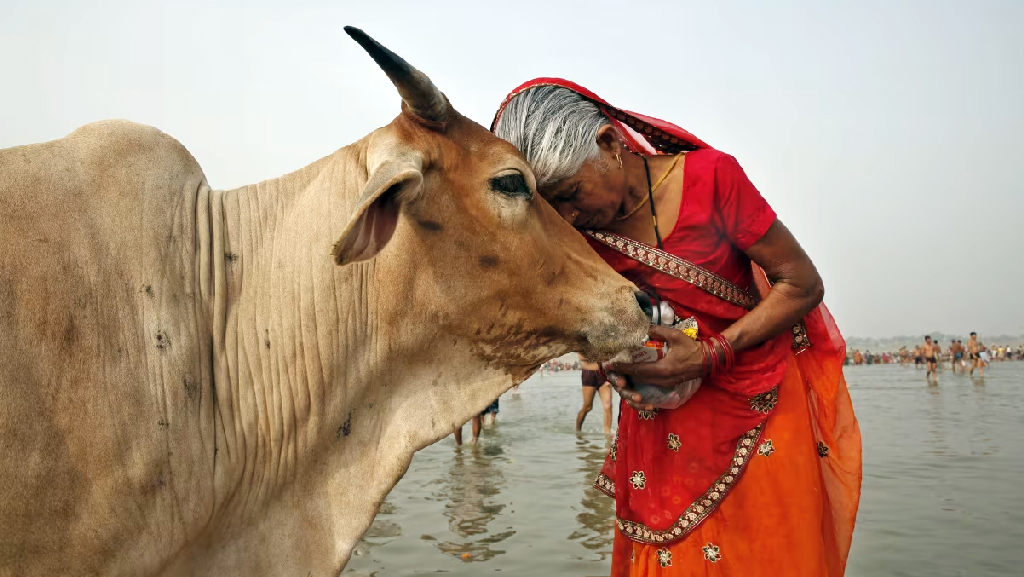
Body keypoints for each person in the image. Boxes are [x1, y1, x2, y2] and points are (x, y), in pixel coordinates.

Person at [492, 79, 861, 576]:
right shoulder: (576, 236)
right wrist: (621, 368)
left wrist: (710, 355)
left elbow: (800, 283)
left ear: (608, 144)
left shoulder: (713, 180)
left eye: (571, 194)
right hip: (661, 420)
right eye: (553, 206)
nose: (569, 216)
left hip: (759, 401)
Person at [578, 354, 614, 435]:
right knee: (587, 407)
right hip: (588, 373)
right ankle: (577, 431)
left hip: (604, 374)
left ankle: (607, 435)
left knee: (608, 405)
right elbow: (582, 357)